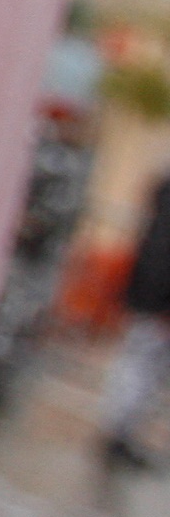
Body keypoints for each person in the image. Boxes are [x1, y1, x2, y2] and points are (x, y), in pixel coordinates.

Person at [100, 173, 170, 471]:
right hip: (154, 299)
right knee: (139, 366)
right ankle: (118, 434)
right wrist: (158, 302)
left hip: (151, 296)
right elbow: (160, 250)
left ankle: (123, 433)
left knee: (143, 368)